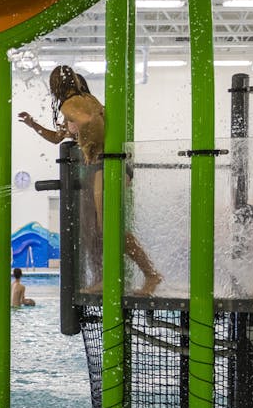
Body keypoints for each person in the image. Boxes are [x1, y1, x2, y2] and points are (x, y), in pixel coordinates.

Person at [26, 65, 162, 295]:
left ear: (55, 86)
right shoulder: (82, 101)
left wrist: (88, 147)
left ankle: (150, 275)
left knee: (108, 227)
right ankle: (106, 277)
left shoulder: (72, 104)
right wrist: (33, 125)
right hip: (106, 164)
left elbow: (91, 121)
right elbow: (57, 137)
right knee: (98, 230)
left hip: (108, 163)